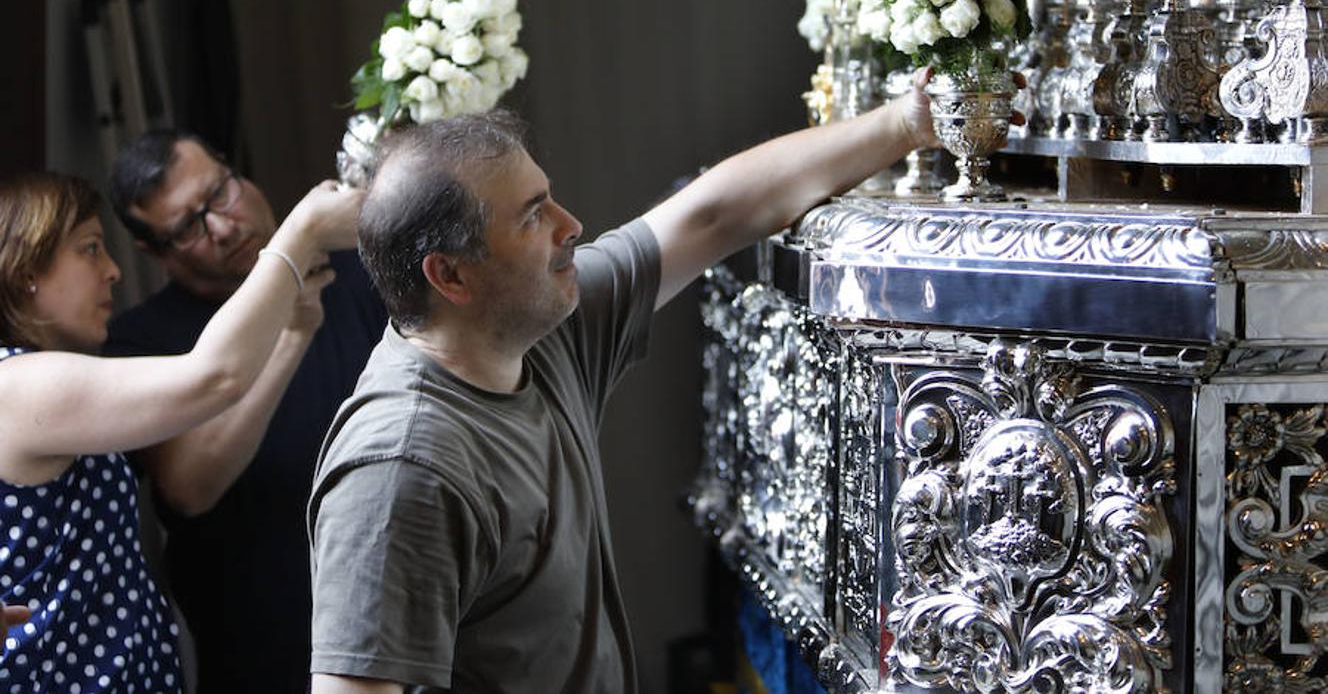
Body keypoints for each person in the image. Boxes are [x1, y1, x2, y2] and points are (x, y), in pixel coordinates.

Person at [306, 76, 939, 693]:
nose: (571, 224)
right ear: (450, 274)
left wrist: (906, 123)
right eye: (532, 218)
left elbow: (712, 215)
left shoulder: (540, 328)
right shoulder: (399, 468)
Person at [0, 170, 359, 693]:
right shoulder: (21, 386)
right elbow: (214, 377)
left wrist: (297, 328)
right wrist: (301, 231)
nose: (114, 271)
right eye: (91, 249)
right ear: (27, 268)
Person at [103, 131, 388, 693]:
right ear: (151, 252)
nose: (223, 228)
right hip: (268, 657)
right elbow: (189, 487)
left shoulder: (361, 270)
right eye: (187, 229)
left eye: (221, 192)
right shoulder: (138, 343)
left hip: (410, 620)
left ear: (238, 171)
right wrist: (290, 332)